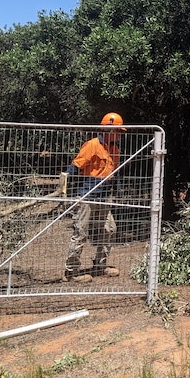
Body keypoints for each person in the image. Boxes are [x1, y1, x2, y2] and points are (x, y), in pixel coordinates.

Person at [63, 112, 126, 282]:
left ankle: (100, 264)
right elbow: (75, 167)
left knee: (109, 229)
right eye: (117, 131)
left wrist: (118, 192)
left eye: (121, 132)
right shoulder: (91, 145)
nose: (119, 134)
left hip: (103, 197)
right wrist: (66, 191)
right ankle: (71, 271)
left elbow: (115, 173)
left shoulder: (115, 150)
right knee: (81, 232)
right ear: (107, 129)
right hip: (86, 195)